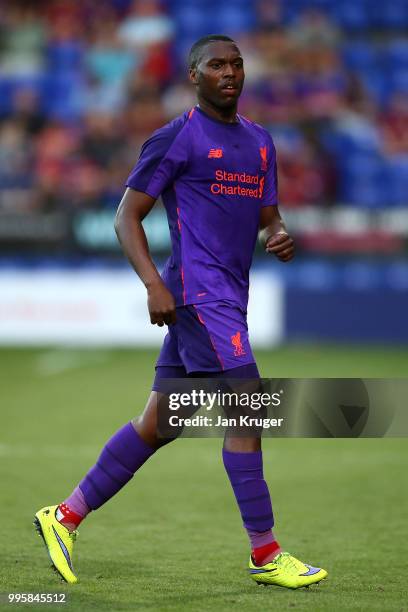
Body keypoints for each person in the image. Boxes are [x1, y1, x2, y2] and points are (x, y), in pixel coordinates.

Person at [34, 34, 327, 590]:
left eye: (236, 65)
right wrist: (152, 283)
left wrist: (280, 232)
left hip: (228, 297)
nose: (230, 73)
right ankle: (265, 553)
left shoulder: (261, 142)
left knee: (160, 423)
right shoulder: (177, 137)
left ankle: (64, 516)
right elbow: (127, 216)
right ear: (194, 76)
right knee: (248, 407)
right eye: (217, 65)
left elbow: (270, 216)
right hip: (197, 294)